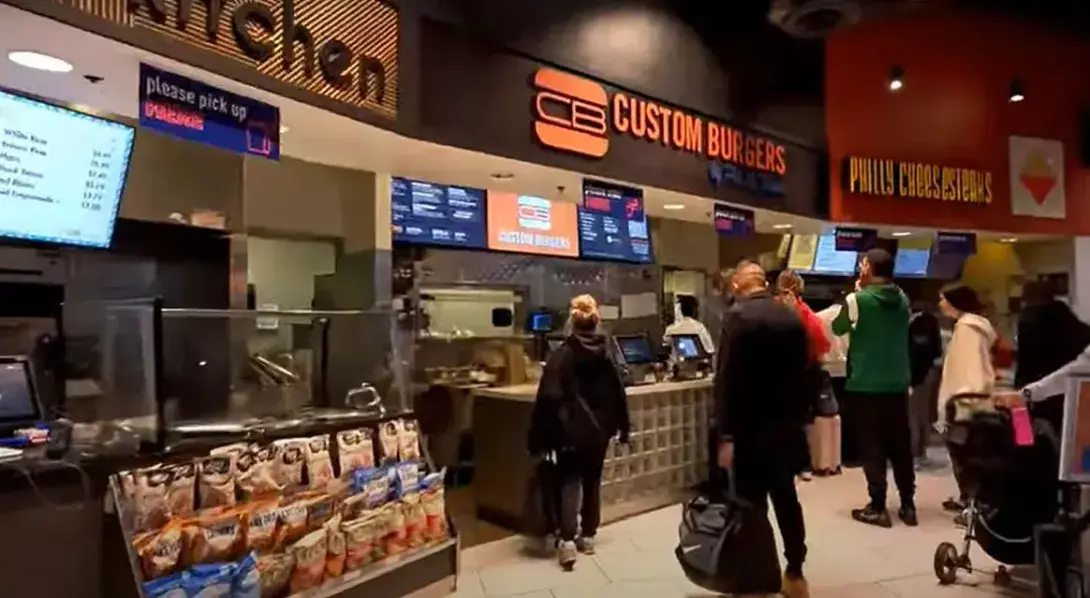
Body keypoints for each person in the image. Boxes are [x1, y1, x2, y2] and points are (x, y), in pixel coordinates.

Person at [715, 261, 811, 598]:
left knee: (752, 504)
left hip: (749, 430)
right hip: (786, 427)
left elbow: (726, 379)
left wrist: (725, 434)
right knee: (787, 499)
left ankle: (760, 577)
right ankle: (795, 571)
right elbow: (805, 372)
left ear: (737, 285)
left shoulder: (736, 317)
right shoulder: (790, 316)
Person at [528, 294, 631, 570]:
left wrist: (539, 437)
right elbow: (618, 393)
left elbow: (548, 397)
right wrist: (622, 427)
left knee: (569, 481)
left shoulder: (562, 355)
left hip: (569, 432)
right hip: (599, 431)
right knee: (592, 480)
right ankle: (589, 535)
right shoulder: (606, 353)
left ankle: (567, 540)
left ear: (571, 322)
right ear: (596, 321)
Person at [831, 248, 916, 528]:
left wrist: (857, 292)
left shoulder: (857, 299)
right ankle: (908, 504)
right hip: (898, 382)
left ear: (868, 269)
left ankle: (878, 506)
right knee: (900, 445)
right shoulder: (903, 298)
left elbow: (838, 327)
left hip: (866, 384)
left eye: (863, 264)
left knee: (873, 446)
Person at [933, 286, 996, 516]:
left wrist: (963, 398)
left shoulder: (967, 330)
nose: (940, 304)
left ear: (955, 302)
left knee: (965, 456)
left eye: (943, 299)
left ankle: (973, 506)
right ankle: (968, 500)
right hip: (968, 402)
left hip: (963, 405)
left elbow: (971, 369)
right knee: (966, 455)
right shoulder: (971, 326)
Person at [775, 270, 832, 481]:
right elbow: (822, 345)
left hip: (775, 374)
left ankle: (778, 464)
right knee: (800, 422)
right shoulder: (807, 314)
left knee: (776, 422)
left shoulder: (770, 309)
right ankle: (800, 466)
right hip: (803, 373)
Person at [1015, 281, 1090, 430]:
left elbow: (1026, 362)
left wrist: (1021, 392)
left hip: (1041, 388)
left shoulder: (1029, 322)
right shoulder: (1070, 320)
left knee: (1024, 434)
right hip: (1072, 396)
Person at [908, 302, 943, 467]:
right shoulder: (932, 321)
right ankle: (921, 451)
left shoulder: (910, 324)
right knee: (923, 413)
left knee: (912, 415)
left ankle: (914, 452)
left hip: (914, 375)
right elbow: (937, 350)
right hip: (929, 372)